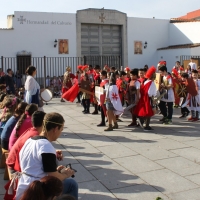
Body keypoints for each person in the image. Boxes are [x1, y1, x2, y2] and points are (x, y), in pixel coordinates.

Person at [15, 112, 78, 200]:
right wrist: (66, 174)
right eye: (61, 129)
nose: (60, 133)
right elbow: (55, 177)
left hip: (23, 185)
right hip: (36, 190)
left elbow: (35, 166)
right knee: (71, 184)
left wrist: (56, 170)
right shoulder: (46, 147)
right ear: (56, 129)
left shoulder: (30, 141)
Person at [134, 66, 157, 131]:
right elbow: (151, 93)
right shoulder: (151, 83)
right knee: (148, 112)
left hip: (143, 98)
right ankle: (146, 126)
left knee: (144, 111)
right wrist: (154, 97)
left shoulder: (145, 81)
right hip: (148, 99)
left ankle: (142, 120)